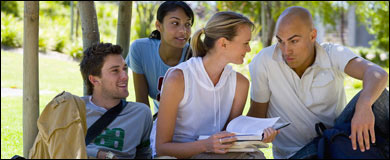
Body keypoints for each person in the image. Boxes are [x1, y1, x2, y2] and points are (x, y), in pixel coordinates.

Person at [247, 6, 389, 159]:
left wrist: (364, 106)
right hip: (298, 154)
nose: (286, 50)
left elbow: (377, 73)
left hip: (334, 139)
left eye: (294, 41)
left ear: (312, 35)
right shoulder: (264, 61)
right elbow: (257, 116)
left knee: (379, 96)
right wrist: (251, 133)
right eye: (281, 41)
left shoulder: (332, 53)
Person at [154, 11, 279, 159]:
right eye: (245, 43)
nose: (249, 49)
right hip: (177, 155)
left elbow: (229, 137)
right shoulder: (178, 79)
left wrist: (257, 136)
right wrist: (205, 145)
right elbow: (161, 148)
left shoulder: (240, 84)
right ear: (223, 43)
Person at [80, 43, 153, 159]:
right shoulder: (74, 110)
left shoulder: (141, 113)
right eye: (115, 71)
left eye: (124, 68)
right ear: (94, 80)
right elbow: (59, 149)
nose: (125, 76)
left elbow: (144, 155)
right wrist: (98, 155)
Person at [125, 1, 195, 116]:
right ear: (158, 26)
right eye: (175, 23)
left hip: (189, 120)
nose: (183, 31)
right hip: (159, 118)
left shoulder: (194, 56)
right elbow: (142, 103)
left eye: (187, 24)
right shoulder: (140, 49)